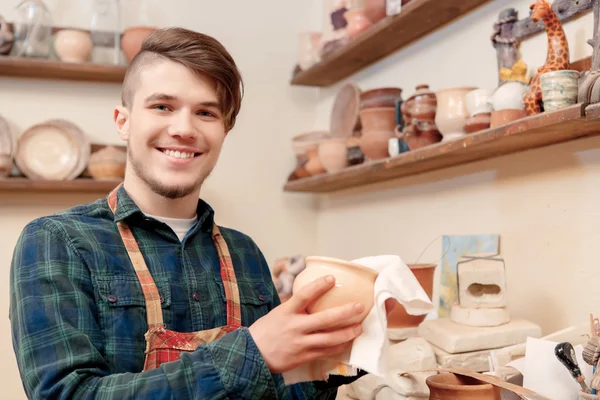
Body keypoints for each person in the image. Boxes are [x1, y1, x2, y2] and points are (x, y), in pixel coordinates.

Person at [9, 27, 390, 399]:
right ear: (123, 121)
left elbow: (286, 388)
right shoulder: (56, 241)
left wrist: (337, 355)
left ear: (225, 130)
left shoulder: (245, 253)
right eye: (163, 106)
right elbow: (66, 394)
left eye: (206, 113)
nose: (183, 129)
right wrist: (252, 352)